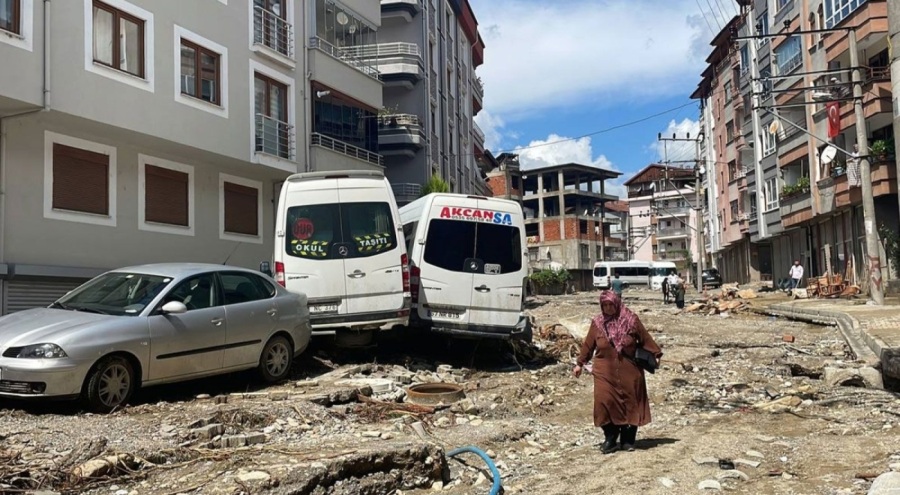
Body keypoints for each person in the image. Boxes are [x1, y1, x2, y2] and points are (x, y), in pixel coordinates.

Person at [573, 291, 663, 454]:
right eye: (604, 305)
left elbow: (645, 339)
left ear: (617, 304)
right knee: (603, 402)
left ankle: (628, 440)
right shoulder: (598, 323)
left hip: (629, 369)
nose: (608, 308)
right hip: (604, 371)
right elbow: (588, 345)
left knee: (630, 402)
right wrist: (580, 363)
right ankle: (611, 437)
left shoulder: (631, 320)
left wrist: (656, 354)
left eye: (610, 305)